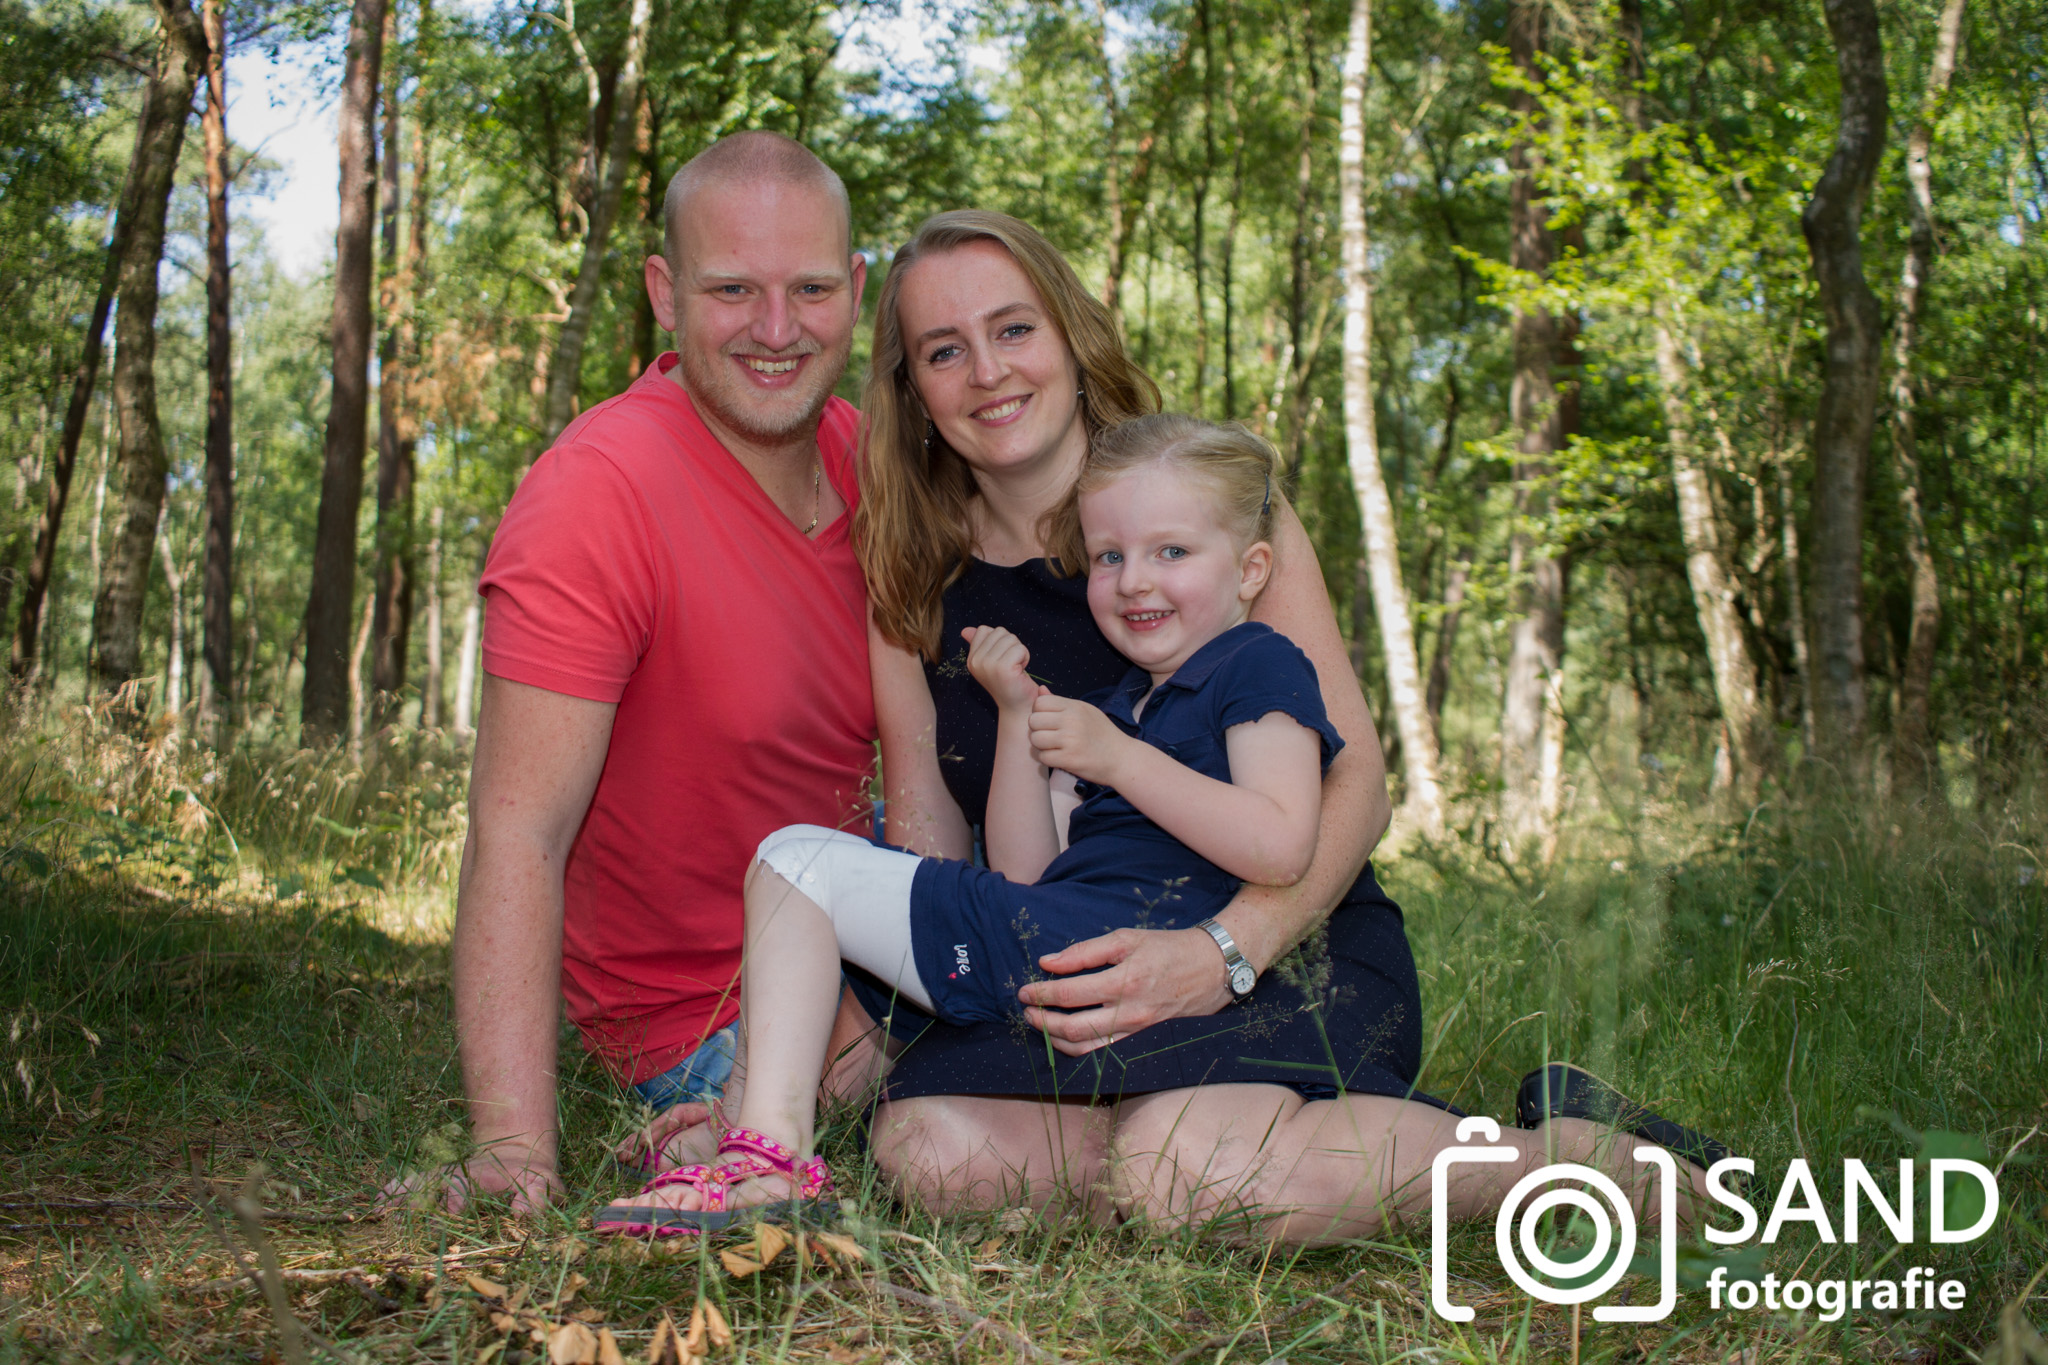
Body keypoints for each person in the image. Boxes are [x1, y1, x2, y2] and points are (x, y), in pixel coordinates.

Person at [840, 209, 1717, 1242]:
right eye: (945, 350)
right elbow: (930, 835)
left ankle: (1556, 1161)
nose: (987, 371)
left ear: (1072, 338)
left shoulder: (1215, 501)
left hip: (1281, 938)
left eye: (1013, 329)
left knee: (1185, 1178)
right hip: (1073, 967)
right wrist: (867, 1036)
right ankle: (1209, 1157)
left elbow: (1358, 785)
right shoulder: (907, 569)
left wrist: (1223, 952)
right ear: (911, 391)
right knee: (928, 1152)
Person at [594, 415, 1345, 1232]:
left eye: (1172, 552)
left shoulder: (1261, 661)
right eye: (1110, 557)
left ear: (1251, 569)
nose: (1134, 580)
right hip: (1067, 946)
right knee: (797, 872)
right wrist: (1021, 720)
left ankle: (766, 1158)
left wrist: (1123, 762)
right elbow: (1026, 877)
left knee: (796, 865)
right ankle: (753, 1125)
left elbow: (1281, 842)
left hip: (1153, 945)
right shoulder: (1116, 708)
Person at [384, 131, 887, 1213]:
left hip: (864, 933)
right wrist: (513, 1144)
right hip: (703, 1005)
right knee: (987, 1103)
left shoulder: (871, 459)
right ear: (664, 292)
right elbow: (517, 829)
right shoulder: (596, 495)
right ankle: (741, 1112)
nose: (774, 329)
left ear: (854, 290)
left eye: (808, 288)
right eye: (730, 290)